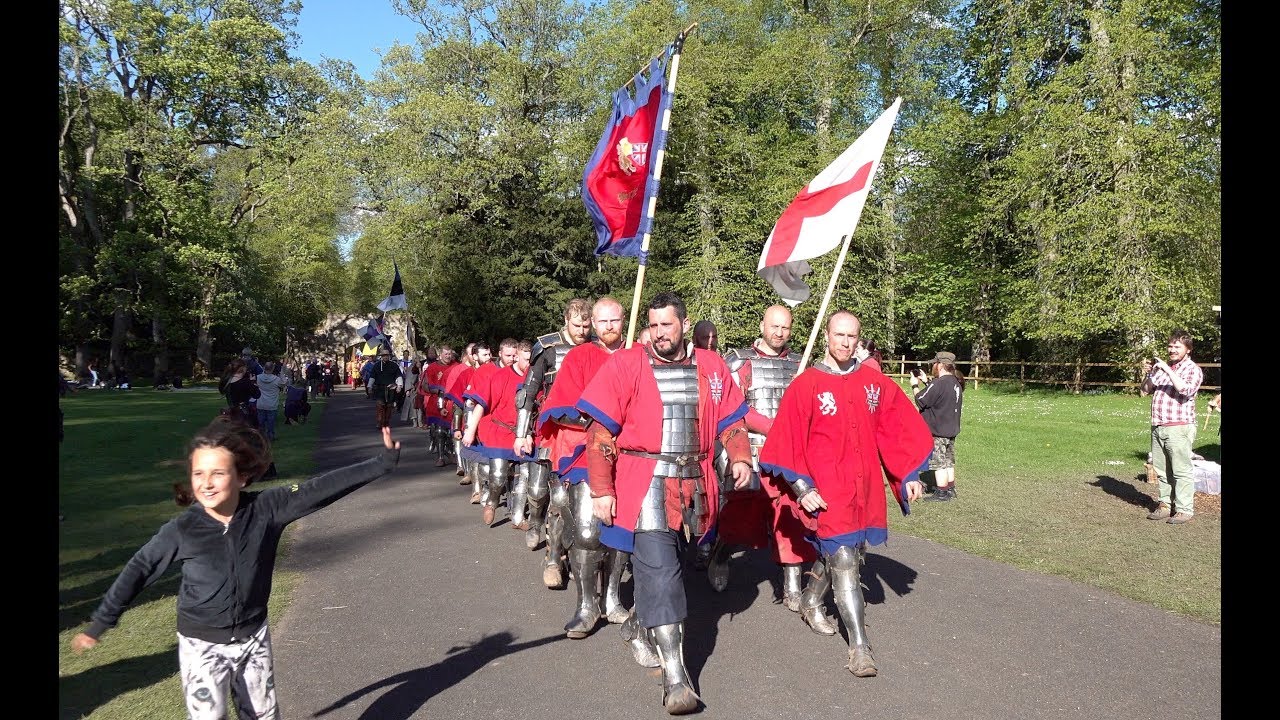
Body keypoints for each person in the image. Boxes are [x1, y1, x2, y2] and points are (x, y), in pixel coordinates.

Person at [70, 419, 402, 720]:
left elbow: (318, 489)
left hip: (252, 638)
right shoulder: (182, 530)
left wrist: (381, 463)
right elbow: (140, 568)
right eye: (198, 474)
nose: (206, 483)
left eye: (218, 473)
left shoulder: (267, 509)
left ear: (241, 477)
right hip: (201, 644)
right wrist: (102, 621)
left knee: (262, 715)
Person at [576, 291, 753, 714]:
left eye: (667, 325)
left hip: (696, 487)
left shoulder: (711, 366)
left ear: (685, 324)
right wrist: (602, 489)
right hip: (646, 483)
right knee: (662, 577)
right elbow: (600, 433)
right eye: (653, 325)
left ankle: (639, 625)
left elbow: (732, 422)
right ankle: (676, 679)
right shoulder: (626, 364)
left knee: (672, 566)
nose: (659, 333)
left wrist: (741, 457)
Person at [758, 310, 933, 678]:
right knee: (845, 562)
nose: (845, 342)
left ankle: (810, 600)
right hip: (826, 490)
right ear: (827, 336)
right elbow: (786, 440)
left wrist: (908, 474)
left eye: (852, 336)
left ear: (859, 339)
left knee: (847, 553)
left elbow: (895, 428)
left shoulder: (874, 383)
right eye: (839, 335)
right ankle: (860, 648)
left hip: (863, 488)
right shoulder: (806, 385)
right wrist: (802, 488)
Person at [529, 296, 635, 635]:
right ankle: (586, 605)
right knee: (588, 535)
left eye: (614, 320)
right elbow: (559, 409)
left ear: (624, 320)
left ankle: (612, 600)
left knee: (621, 532)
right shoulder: (579, 356)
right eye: (602, 321)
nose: (608, 327)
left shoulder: (638, 356)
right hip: (584, 453)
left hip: (631, 456)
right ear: (594, 324)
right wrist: (603, 422)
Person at [708, 304, 813, 615]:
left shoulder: (800, 364)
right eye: (774, 326)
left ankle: (792, 584)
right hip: (749, 448)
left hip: (789, 452)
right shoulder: (738, 361)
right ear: (762, 326)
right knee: (740, 518)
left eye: (785, 327)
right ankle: (721, 555)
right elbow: (731, 406)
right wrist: (772, 426)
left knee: (791, 516)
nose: (779, 333)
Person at [513, 299, 593, 550]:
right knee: (538, 489)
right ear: (566, 320)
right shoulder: (548, 347)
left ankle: (563, 544)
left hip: (584, 426)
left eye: (586, 326)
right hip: (550, 426)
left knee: (568, 492)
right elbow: (528, 392)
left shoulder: (596, 346)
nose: (582, 331)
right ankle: (535, 522)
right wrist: (521, 433)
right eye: (577, 325)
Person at [463, 339, 533, 526]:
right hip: (500, 432)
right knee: (499, 474)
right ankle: (492, 502)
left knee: (524, 475)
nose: (528, 364)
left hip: (524, 433)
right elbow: (481, 404)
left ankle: (518, 517)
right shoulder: (500, 376)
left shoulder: (534, 378)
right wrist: (470, 430)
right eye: (525, 359)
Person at [1140, 330, 1204, 524]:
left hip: (1179, 427)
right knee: (1161, 470)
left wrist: (1168, 370)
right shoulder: (1163, 368)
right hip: (1158, 425)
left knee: (1181, 470)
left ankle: (1184, 510)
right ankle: (1165, 505)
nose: (1172, 350)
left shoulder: (1192, 369)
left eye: (1177, 347)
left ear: (1188, 349)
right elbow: (1144, 391)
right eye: (1170, 346)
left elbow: (1186, 390)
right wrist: (1150, 373)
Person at [911, 351, 966, 501]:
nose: (933, 366)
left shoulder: (939, 383)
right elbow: (939, 395)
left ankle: (941, 492)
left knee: (939, 462)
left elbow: (921, 399)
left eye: (935, 363)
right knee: (948, 460)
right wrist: (926, 382)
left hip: (938, 430)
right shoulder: (955, 382)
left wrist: (914, 385)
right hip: (951, 429)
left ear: (940, 365)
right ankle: (950, 488)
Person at [218, 359, 259, 427]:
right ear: (243, 368)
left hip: (232, 412)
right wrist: (253, 383)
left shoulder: (227, 381)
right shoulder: (245, 382)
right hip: (243, 414)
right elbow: (257, 395)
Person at [254, 361, 289, 442]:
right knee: (271, 423)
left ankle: (261, 437)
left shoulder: (258, 377)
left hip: (261, 403)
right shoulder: (276, 379)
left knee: (261, 422)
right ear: (273, 369)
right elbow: (285, 382)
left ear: (264, 368)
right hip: (271, 404)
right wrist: (281, 372)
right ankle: (270, 436)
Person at [370, 347, 403, 429]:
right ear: (381, 356)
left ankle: (386, 422)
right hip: (380, 389)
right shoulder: (377, 366)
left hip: (391, 390)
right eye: (384, 355)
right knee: (380, 406)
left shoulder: (394, 365)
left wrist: (399, 385)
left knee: (389, 407)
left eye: (387, 355)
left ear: (389, 356)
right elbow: (372, 376)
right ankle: (380, 422)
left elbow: (398, 375)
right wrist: (369, 386)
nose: (385, 357)